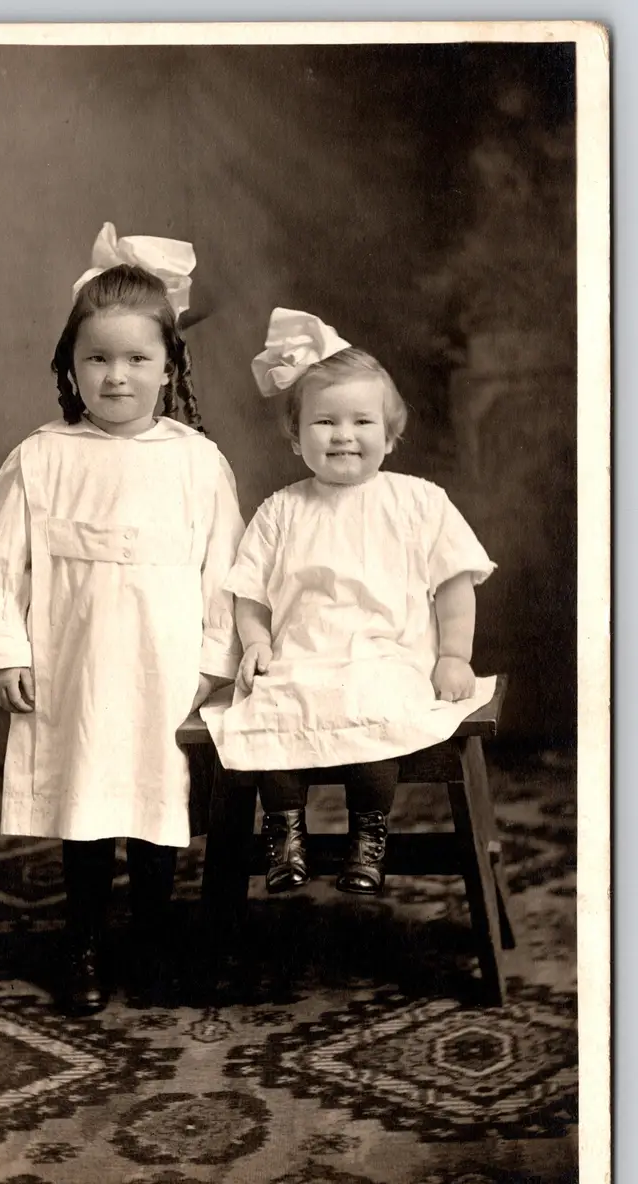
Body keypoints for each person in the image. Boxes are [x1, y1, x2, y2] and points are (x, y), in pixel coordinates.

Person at [0, 223, 244, 1013]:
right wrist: (7, 648)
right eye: (97, 358)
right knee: (88, 803)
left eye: (136, 359)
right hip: (76, 665)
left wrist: (212, 662)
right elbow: (2, 566)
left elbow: (225, 572)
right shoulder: (42, 458)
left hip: (166, 669)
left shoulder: (196, 462)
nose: (116, 377)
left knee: (157, 805)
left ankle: (152, 943)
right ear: (71, 365)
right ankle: (84, 942)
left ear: (170, 366)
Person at [202, 307, 496, 898]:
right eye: (324, 422)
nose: (343, 435)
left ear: (389, 436)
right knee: (268, 705)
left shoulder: (419, 502)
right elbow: (250, 592)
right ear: (295, 436)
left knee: (377, 703)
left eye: (362, 422)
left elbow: (455, 583)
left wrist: (454, 656)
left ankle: (369, 832)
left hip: (387, 654)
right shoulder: (281, 511)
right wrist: (257, 643)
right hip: (302, 657)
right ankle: (285, 833)